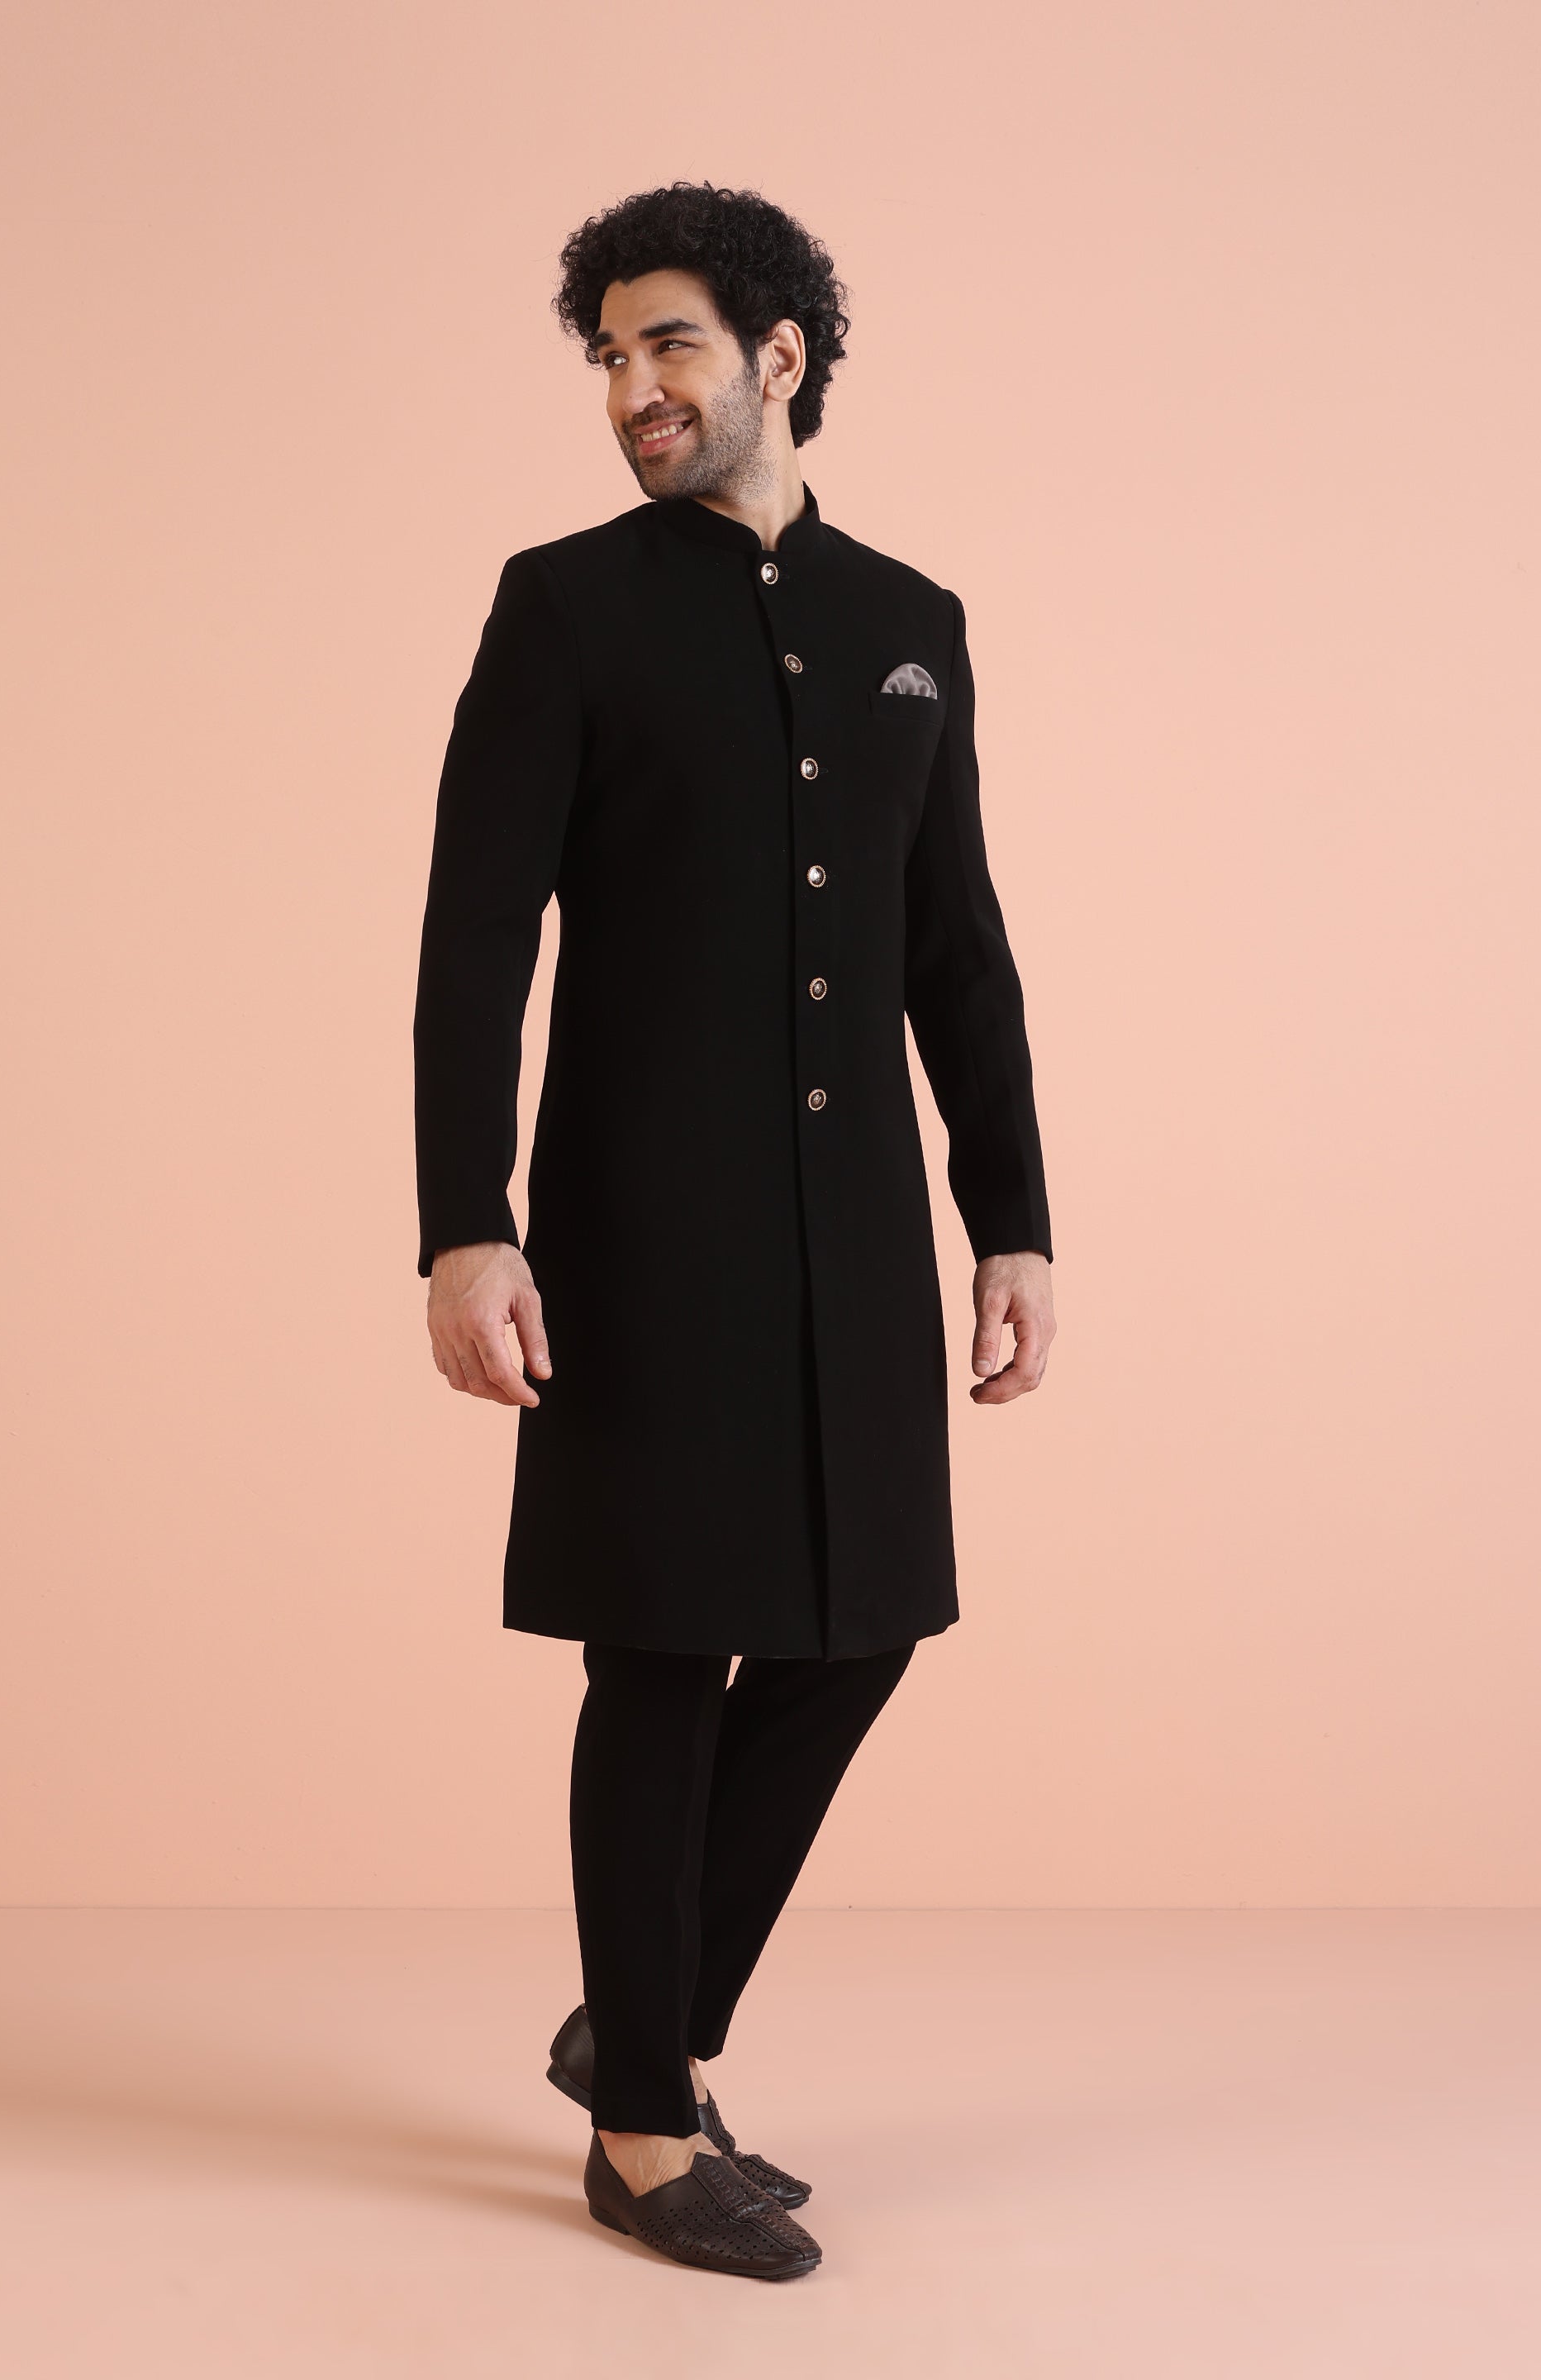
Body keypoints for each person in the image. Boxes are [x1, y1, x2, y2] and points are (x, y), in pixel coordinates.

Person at [411, 182, 1055, 2280]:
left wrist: (1012, 1217)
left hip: (855, 1230)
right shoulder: (564, 610)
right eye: (609, 356)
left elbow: (956, 949)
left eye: (669, 343)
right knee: (664, 1648)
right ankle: (642, 2132)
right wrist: (465, 1225)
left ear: (781, 355)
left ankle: (641, 2016)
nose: (634, 389)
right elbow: (474, 938)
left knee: (867, 1623)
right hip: (637, 1223)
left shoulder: (911, 620)